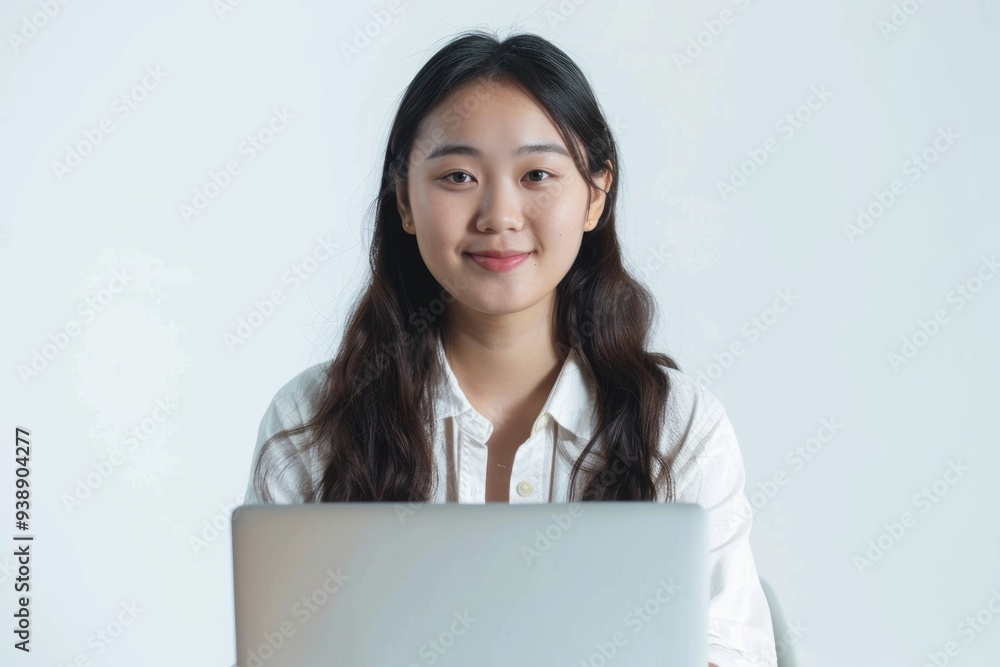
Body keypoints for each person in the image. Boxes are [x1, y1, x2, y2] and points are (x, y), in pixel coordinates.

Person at [244, 28, 778, 667]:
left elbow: (731, 654)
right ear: (404, 199)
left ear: (595, 196)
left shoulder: (680, 428)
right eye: (459, 175)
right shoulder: (311, 422)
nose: (499, 214)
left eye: (538, 174)